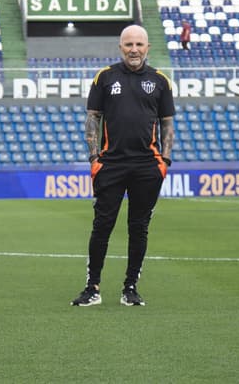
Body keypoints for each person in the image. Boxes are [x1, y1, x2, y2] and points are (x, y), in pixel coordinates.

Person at [71, 24, 175, 307]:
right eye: (129, 44)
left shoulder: (160, 81)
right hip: (111, 165)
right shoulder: (105, 78)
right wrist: (94, 159)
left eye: (139, 44)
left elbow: (167, 124)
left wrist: (164, 161)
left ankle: (131, 287)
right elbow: (92, 118)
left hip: (147, 166)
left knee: (138, 227)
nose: (134, 49)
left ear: (147, 48)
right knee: (102, 226)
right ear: (120, 48)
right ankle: (92, 287)